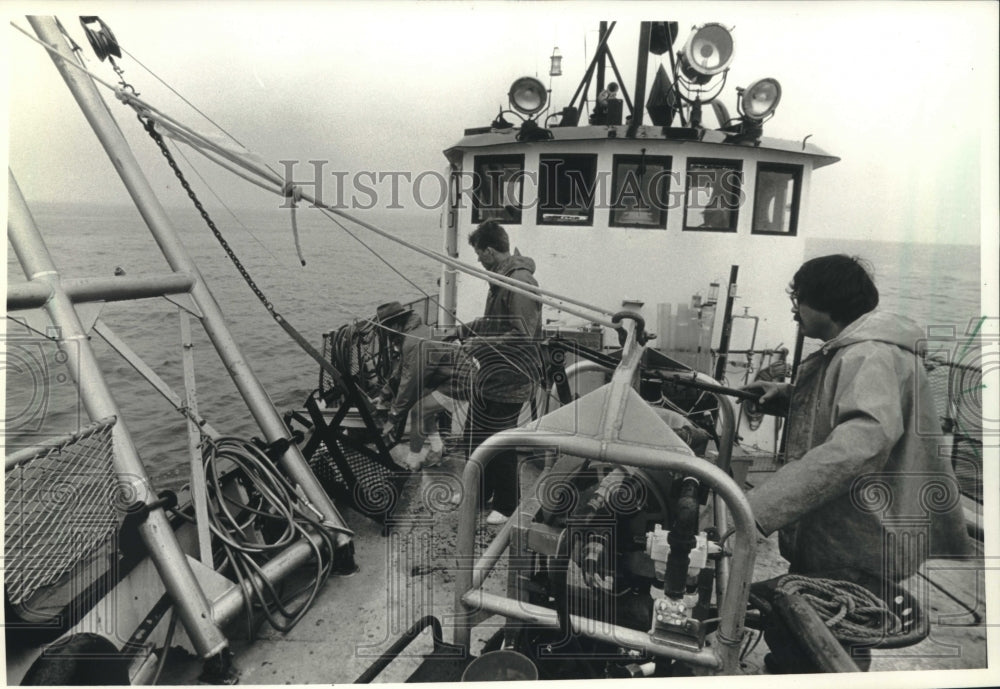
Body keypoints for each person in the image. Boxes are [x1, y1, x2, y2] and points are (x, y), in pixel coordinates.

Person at [741, 254, 971, 673]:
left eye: (801, 299)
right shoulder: (865, 350)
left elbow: (859, 444)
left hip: (855, 537)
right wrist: (789, 396)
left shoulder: (869, 355)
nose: (795, 309)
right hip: (847, 535)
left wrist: (755, 510)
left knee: (828, 636)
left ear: (826, 302)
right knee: (825, 630)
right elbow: (851, 408)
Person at [459, 220, 543, 525]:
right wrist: (463, 330)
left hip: (512, 376)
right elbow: (495, 323)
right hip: (494, 375)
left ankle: (508, 505)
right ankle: (479, 495)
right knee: (475, 435)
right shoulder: (501, 279)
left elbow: (522, 334)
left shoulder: (518, 282)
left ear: (490, 251)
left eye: (480, 256)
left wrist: (479, 346)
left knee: (500, 442)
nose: (479, 262)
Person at [375, 302, 462, 471]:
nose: (385, 334)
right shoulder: (414, 333)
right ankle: (438, 449)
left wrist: (393, 417)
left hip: (462, 381)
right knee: (423, 403)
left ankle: (413, 461)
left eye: (385, 329)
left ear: (394, 325)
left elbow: (410, 383)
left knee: (419, 410)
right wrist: (384, 395)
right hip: (446, 378)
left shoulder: (413, 342)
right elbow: (401, 372)